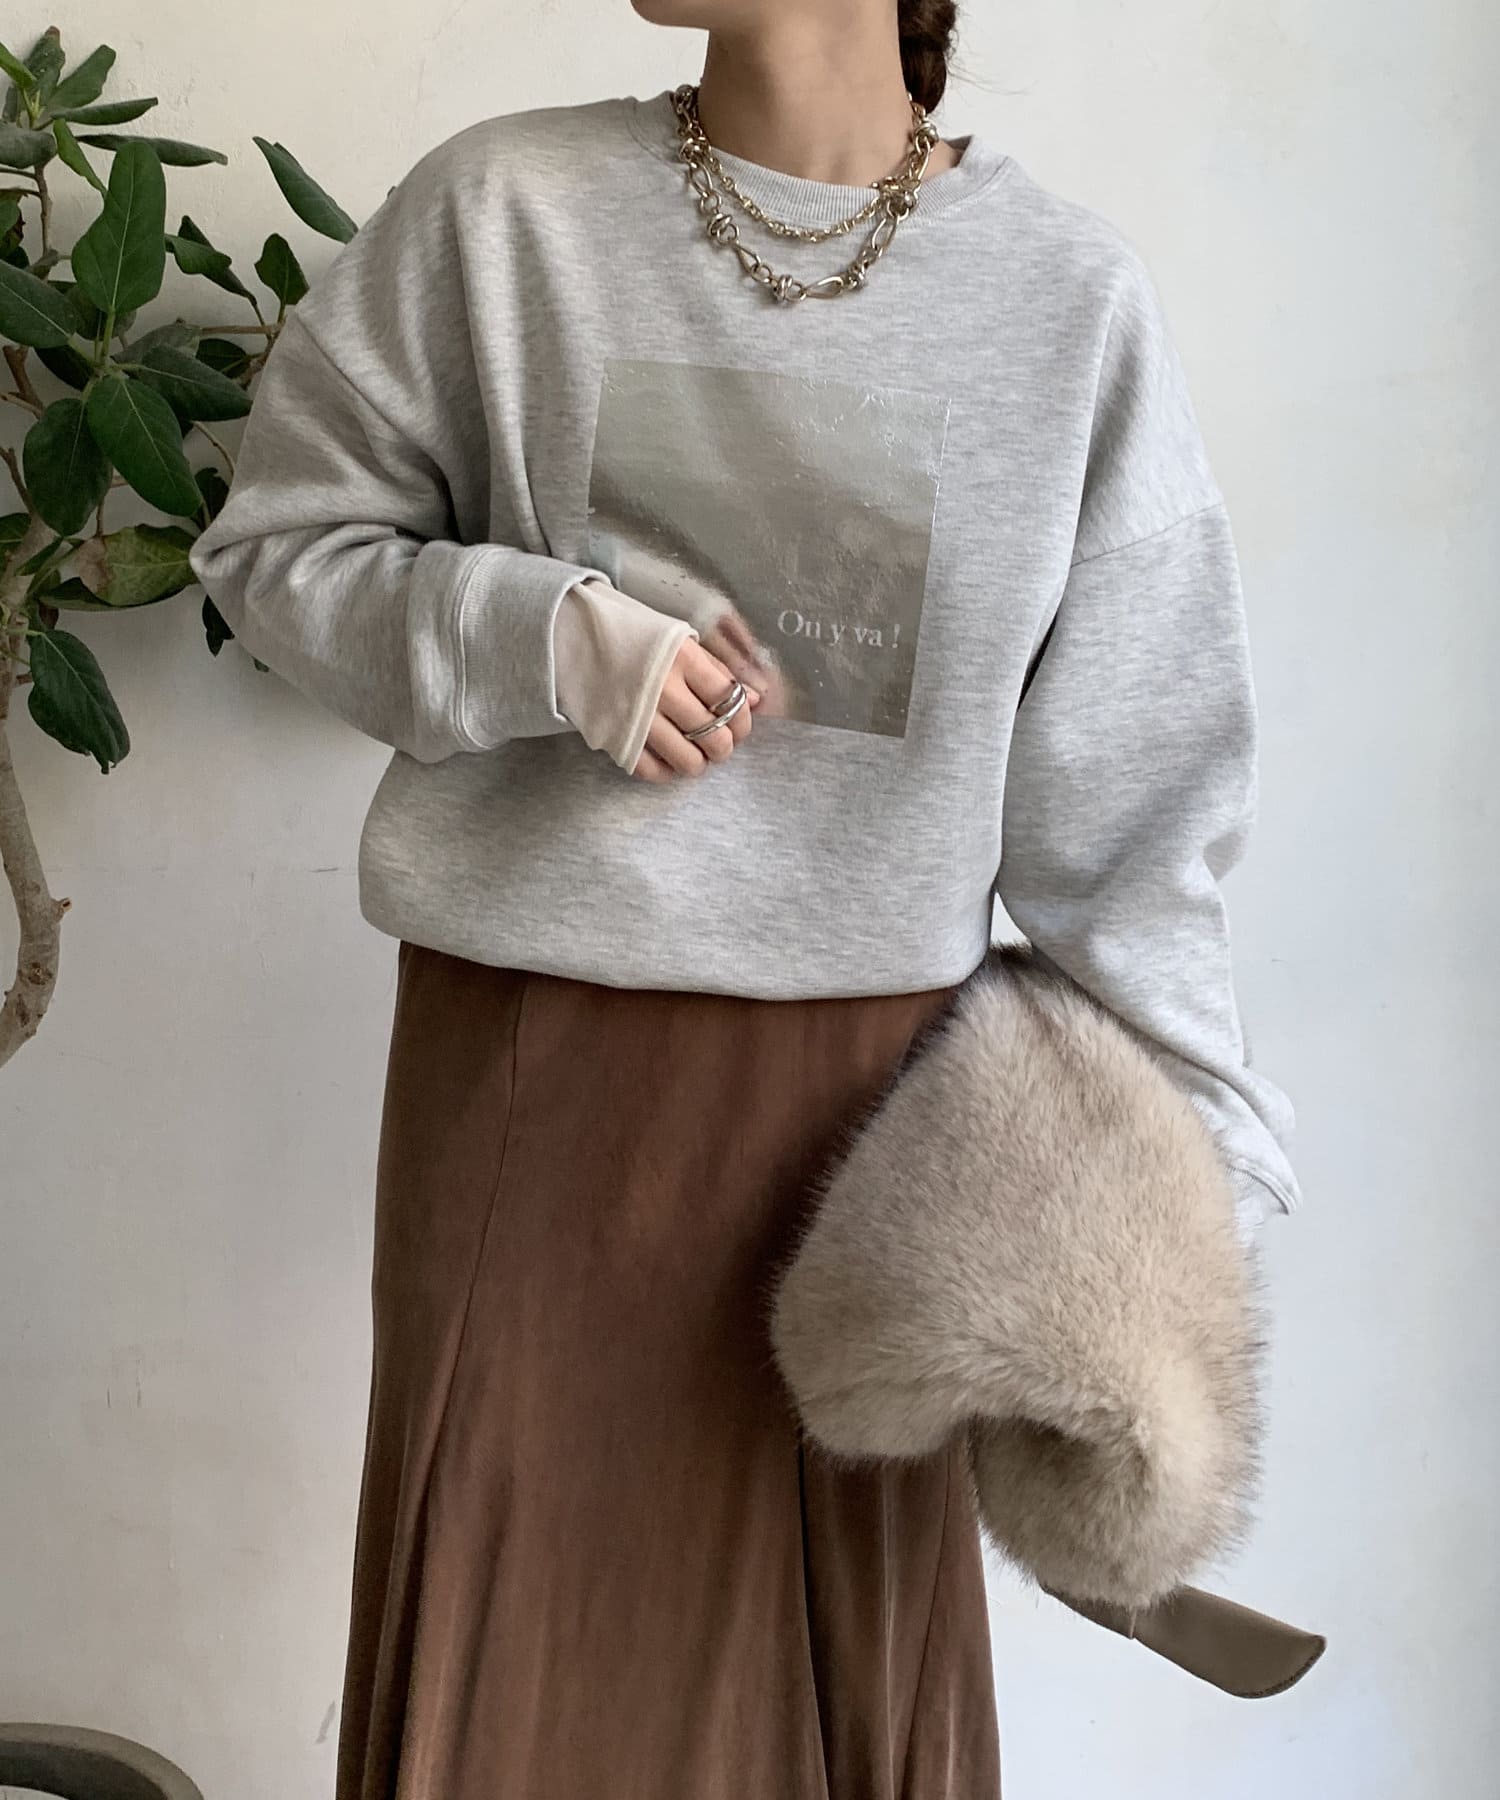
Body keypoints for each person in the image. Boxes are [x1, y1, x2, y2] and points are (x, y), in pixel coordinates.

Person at [188, 2, 1305, 1794]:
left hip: (883, 1152)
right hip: (530, 1108)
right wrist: (545, 638)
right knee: (514, 1678)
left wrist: (1192, 1215)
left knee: (837, 1695)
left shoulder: (1064, 303)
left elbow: (1134, 827)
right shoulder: (505, 216)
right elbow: (277, 555)